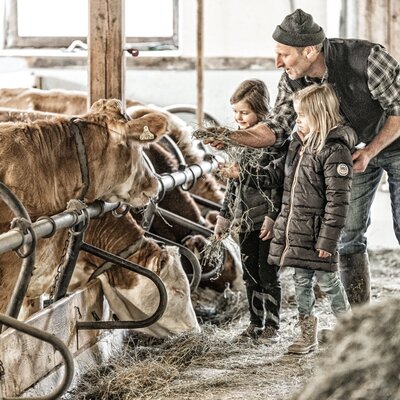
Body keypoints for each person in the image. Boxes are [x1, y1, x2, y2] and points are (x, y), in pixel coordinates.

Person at [202, 8, 400, 306]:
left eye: (284, 54)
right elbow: (275, 129)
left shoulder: (368, 59)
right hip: (354, 153)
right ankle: (360, 322)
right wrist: (230, 137)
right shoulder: (292, 80)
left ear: (310, 51)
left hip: (393, 143)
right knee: (349, 234)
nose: (277, 62)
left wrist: (371, 151)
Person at [251, 83, 355, 354]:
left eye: (301, 116)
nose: (296, 121)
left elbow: (338, 201)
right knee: (300, 283)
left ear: (319, 116)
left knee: (329, 284)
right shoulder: (297, 146)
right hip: (297, 233)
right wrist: (244, 172)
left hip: (319, 235)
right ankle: (307, 336)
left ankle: (352, 335)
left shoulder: (335, 152)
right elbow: (278, 176)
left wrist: (328, 239)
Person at [214, 79, 286, 344]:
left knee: (268, 275)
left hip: (264, 221)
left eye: (244, 113)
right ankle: (255, 324)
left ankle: (273, 327)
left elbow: (278, 183)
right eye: (236, 113)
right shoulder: (239, 143)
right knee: (250, 275)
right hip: (243, 221)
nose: (239, 118)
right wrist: (224, 216)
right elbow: (234, 184)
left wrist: (272, 215)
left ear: (261, 111)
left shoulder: (272, 143)